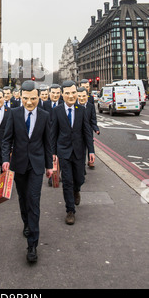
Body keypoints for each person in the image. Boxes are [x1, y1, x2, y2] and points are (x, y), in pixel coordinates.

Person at [2, 80, 53, 263]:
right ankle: (26, 223)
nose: (29, 102)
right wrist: (6, 160)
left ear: (38, 97)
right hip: (19, 164)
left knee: (34, 200)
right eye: (25, 98)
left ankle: (32, 244)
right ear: (20, 97)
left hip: (37, 166)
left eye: (33, 99)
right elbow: (7, 139)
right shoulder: (14, 114)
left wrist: (49, 166)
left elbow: (48, 143)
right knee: (23, 199)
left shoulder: (45, 116)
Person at [50, 80, 95, 225]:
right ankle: (70, 210)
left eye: (73, 92)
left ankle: (77, 190)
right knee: (67, 181)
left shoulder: (82, 110)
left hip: (79, 151)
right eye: (67, 93)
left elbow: (87, 131)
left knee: (79, 178)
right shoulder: (57, 111)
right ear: (62, 95)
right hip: (63, 151)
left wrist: (91, 151)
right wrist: (53, 153)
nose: (71, 95)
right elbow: (53, 133)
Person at [77, 87, 100, 169]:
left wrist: (96, 128)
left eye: (84, 96)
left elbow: (93, 119)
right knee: (80, 151)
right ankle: (81, 166)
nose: (81, 98)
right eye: (79, 96)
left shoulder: (90, 106)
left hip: (88, 131)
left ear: (87, 96)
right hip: (78, 134)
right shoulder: (74, 106)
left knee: (89, 146)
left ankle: (90, 161)